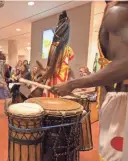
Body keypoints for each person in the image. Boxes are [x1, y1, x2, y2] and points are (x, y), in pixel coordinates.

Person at [52, 2, 128, 160]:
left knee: (114, 155)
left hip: (123, 105)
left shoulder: (119, 11)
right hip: (117, 99)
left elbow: (125, 63)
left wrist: (72, 84)